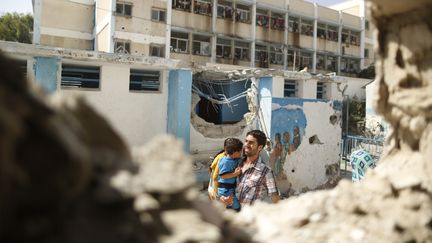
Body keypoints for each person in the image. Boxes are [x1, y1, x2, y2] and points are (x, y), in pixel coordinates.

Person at [222, 130, 280, 206]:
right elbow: (224, 184)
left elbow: (275, 199)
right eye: (246, 141)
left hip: (250, 215)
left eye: (251, 142)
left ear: (260, 147)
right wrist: (223, 198)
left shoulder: (266, 172)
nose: (246, 145)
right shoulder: (235, 164)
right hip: (232, 214)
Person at [217, 138, 243, 211]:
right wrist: (235, 174)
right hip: (225, 190)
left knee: (230, 204)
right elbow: (223, 175)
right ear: (234, 152)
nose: (241, 153)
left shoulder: (234, 159)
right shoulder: (226, 162)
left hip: (230, 188)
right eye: (240, 151)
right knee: (236, 206)